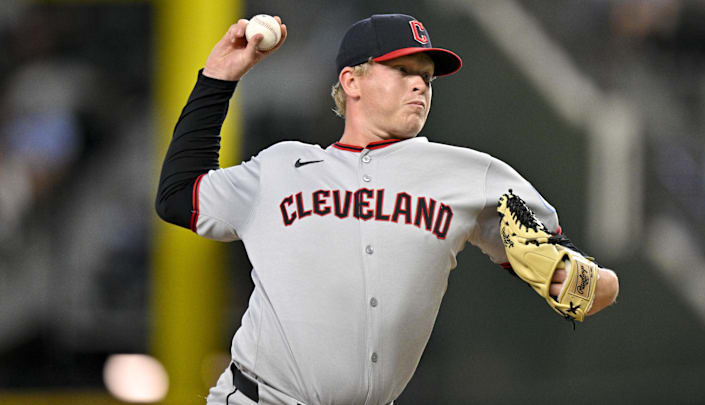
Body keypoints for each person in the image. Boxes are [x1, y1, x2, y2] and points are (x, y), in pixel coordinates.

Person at [156, 13, 620, 405]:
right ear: (351, 81)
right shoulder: (280, 168)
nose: (420, 84)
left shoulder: (472, 175)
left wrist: (576, 281)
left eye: (427, 76)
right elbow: (179, 196)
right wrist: (219, 77)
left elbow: (591, 284)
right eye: (403, 70)